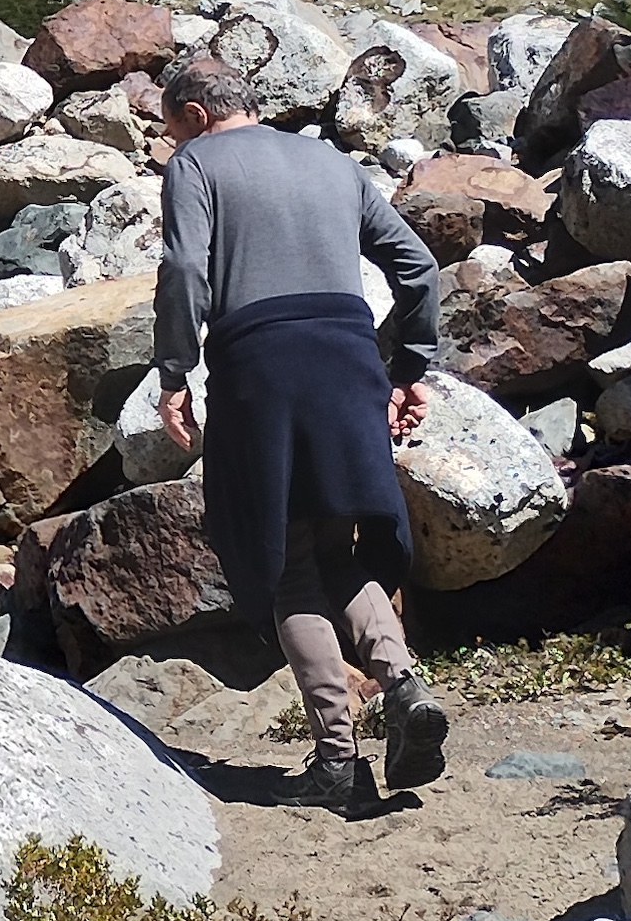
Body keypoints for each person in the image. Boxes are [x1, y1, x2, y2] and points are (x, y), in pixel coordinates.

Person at [152, 49, 451, 816]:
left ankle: (337, 762)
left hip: (263, 369)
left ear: (195, 116)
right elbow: (416, 265)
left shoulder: (198, 167)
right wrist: (409, 364)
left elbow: (186, 269)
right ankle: (402, 683)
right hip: (348, 361)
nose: (174, 148)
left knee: (285, 568)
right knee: (337, 549)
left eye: (173, 133)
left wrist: (175, 370)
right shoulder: (332, 163)